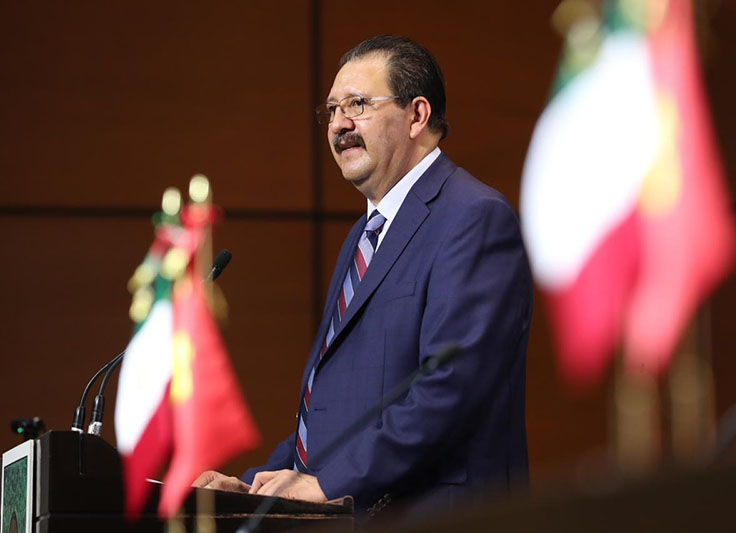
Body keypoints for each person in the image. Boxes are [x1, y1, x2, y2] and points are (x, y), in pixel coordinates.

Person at [195, 35, 533, 518]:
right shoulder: (365, 234)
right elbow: (340, 413)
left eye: (357, 104)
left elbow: (451, 388)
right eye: (332, 110)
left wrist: (329, 483)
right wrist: (254, 486)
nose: (339, 125)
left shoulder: (474, 217)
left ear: (417, 116)